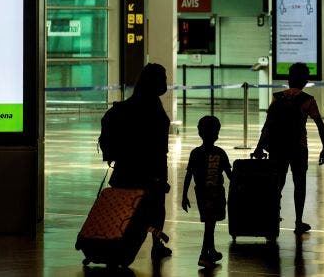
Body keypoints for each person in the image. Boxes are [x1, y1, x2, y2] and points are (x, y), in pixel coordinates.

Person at [99, 63, 172, 259]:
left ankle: (111, 240)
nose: (165, 83)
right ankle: (157, 245)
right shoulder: (155, 110)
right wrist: (162, 177)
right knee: (156, 209)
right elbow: (159, 150)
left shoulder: (126, 107)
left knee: (123, 208)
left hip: (124, 170)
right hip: (149, 173)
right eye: (163, 79)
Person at [252, 62, 324, 235]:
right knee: (299, 183)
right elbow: (320, 124)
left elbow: (268, 125)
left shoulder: (277, 98)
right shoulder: (308, 100)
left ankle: (272, 217)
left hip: (277, 147)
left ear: (288, 79)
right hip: (298, 148)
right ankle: (298, 221)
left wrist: (259, 146)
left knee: (277, 183)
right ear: (306, 81)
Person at [181, 115, 232, 268]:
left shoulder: (195, 153)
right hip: (216, 193)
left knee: (210, 223)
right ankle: (204, 254)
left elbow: (189, 175)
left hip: (202, 193)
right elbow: (230, 176)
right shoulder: (220, 153)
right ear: (217, 133)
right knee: (210, 224)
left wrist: (184, 195)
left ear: (199, 133)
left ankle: (211, 250)